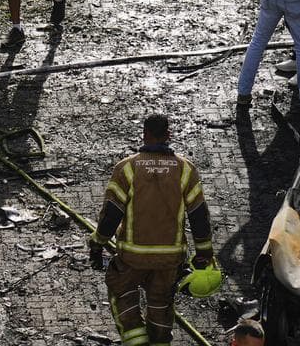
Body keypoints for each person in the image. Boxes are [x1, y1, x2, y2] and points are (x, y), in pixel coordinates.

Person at [88, 114, 214, 346]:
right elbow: (199, 216)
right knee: (161, 307)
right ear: (169, 135)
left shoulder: (127, 168)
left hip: (132, 259)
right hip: (169, 261)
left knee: (122, 296)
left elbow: (111, 215)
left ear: (144, 134)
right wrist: (204, 254)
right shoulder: (185, 170)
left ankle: (136, 341)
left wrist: (97, 243)